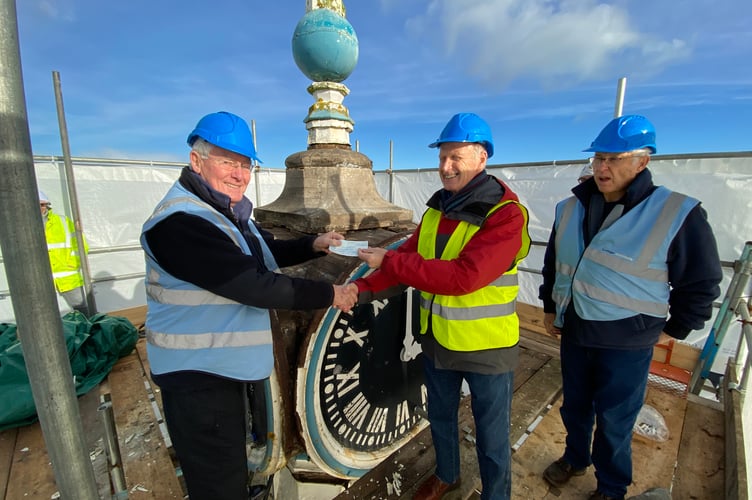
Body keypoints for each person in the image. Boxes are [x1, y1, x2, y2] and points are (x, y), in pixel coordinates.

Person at [140, 111, 357, 500]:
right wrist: (331, 295)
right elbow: (254, 284)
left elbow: (260, 251)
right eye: (228, 162)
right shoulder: (180, 222)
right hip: (196, 377)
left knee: (229, 463)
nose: (240, 174)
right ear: (196, 161)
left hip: (219, 367)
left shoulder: (223, 212)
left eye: (245, 164)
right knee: (217, 481)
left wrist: (312, 244)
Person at [538, 114, 722, 500]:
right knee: (575, 406)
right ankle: (575, 457)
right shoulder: (570, 208)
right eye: (599, 158)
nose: (603, 168)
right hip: (575, 330)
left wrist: (676, 329)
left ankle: (612, 486)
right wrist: (550, 307)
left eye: (615, 159)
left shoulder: (675, 212)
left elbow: (701, 282)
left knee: (616, 420)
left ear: (642, 162)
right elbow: (555, 262)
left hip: (628, 340)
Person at [348, 113, 531, 500]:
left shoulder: (506, 215)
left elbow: (463, 277)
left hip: (487, 348)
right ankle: (448, 475)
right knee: (441, 418)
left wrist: (389, 261)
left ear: (482, 158)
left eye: (456, 157)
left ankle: (496, 495)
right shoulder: (435, 211)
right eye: (443, 157)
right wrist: (359, 289)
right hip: (437, 342)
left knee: (492, 434)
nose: (446, 167)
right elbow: (408, 265)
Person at [39, 190, 90, 316]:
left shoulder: (62, 222)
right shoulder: (21, 226)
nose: (40, 208)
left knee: (82, 310)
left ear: (47, 205)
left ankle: (90, 333)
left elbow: (81, 245)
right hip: (40, 279)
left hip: (68, 277)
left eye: (42, 204)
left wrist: (73, 263)